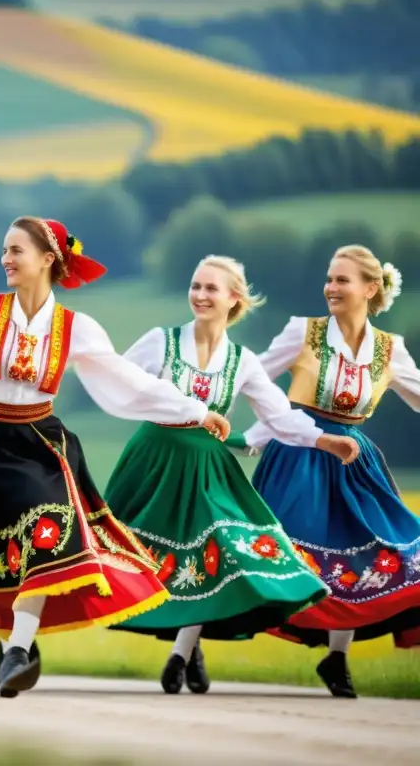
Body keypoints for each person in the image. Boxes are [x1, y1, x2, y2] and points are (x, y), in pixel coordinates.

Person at [0, 216, 233, 698]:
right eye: (4, 250)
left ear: (48, 259)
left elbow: (128, 381)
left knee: (46, 534)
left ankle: (20, 650)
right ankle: (14, 643)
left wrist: (195, 410)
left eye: (15, 251)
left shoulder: (76, 326)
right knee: (7, 555)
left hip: (43, 445)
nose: (5, 259)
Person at [104, 255, 359, 694]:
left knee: (222, 548)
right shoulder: (159, 341)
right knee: (109, 555)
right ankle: (22, 634)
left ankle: (184, 649)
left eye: (211, 288)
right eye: (195, 285)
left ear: (233, 299)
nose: (200, 295)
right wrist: (179, 408)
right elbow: (117, 384)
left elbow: (279, 416)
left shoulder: (242, 361)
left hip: (209, 468)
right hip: (155, 461)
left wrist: (325, 440)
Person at [245, 245, 419, 698]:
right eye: (329, 278)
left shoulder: (389, 349)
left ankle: (337, 659)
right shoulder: (302, 331)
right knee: (263, 551)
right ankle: (191, 641)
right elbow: (251, 377)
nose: (331, 287)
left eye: (342, 280)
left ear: (370, 288)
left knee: (361, 553)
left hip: (353, 458)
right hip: (299, 451)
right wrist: (246, 429)